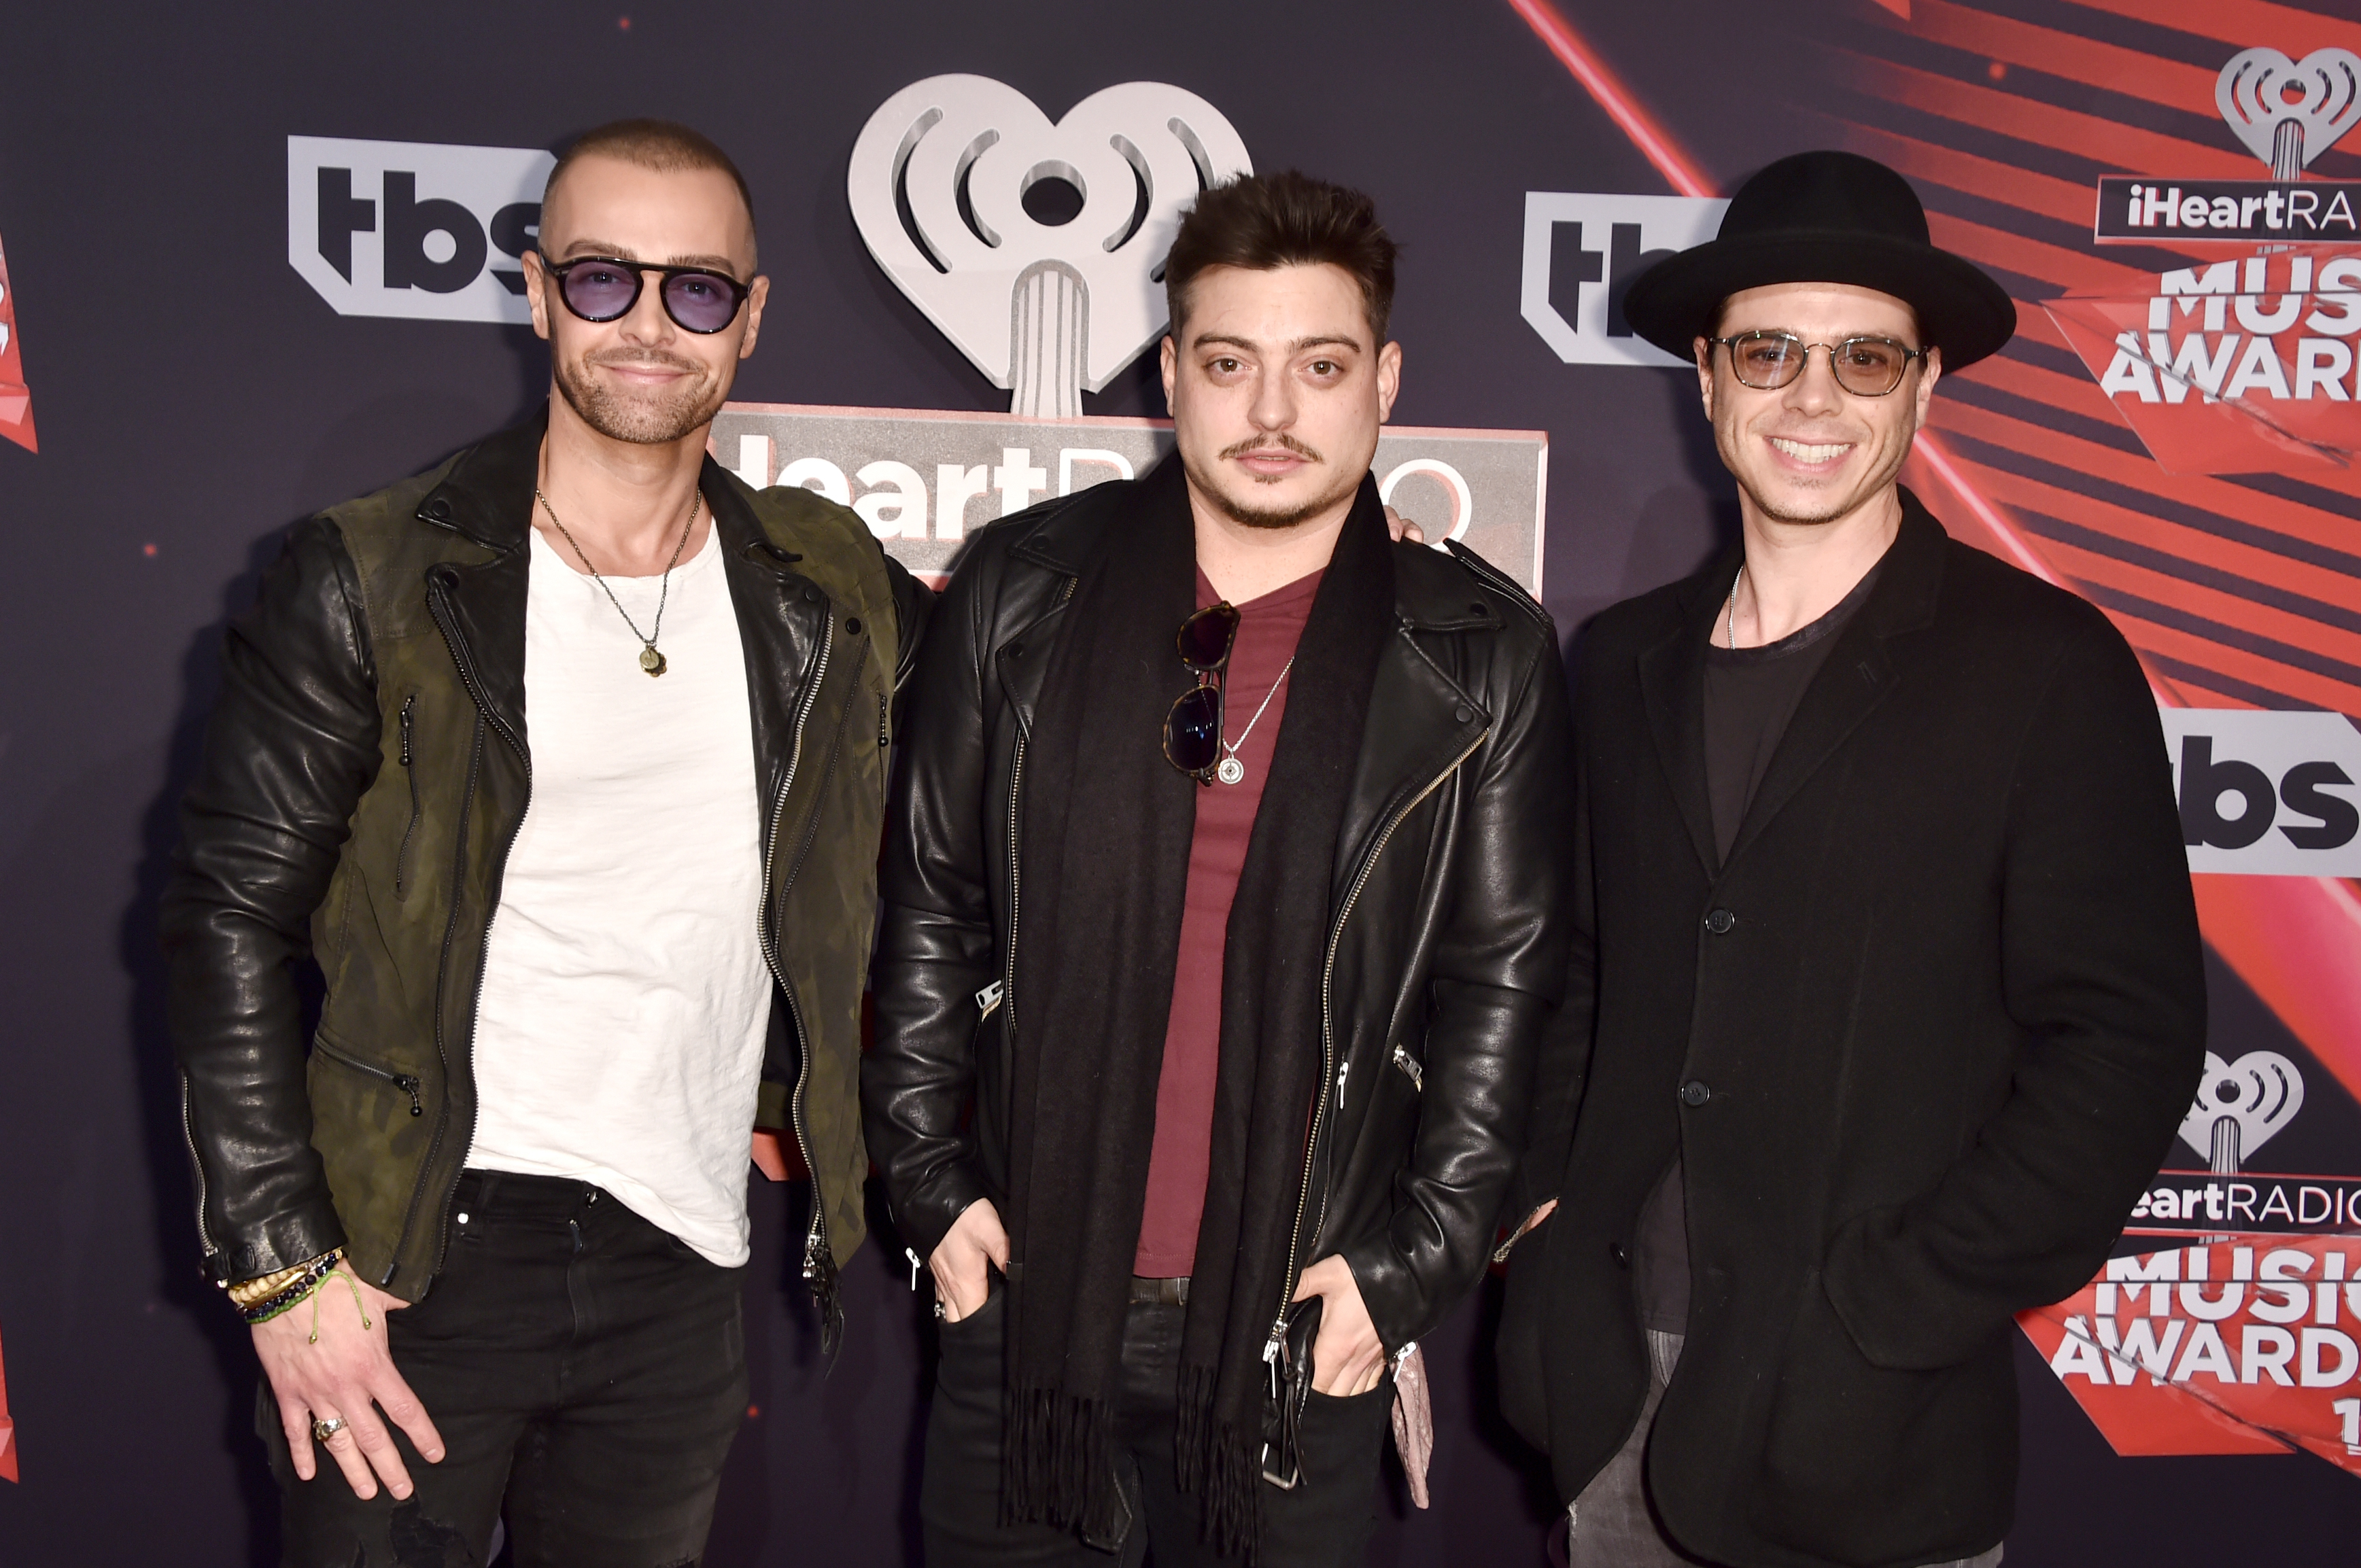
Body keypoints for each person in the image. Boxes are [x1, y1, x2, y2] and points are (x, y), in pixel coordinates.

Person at [161, 118, 927, 1567]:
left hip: (682, 1254)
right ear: (534, 291)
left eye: (697, 288)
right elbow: (227, 919)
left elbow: (994, 759)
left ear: (752, 317)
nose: (649, 323)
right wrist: (279, 1266)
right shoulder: (372, 572)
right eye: (601, 280)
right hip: (414, 1243)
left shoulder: (827, 584)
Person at [1495, 149, 2207, 1568]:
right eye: (1769, 349)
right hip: (1611, 1396)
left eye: (1863, 359)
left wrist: (1903, 1299)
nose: (1811, 398)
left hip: (1870, 1425)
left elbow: (2126, 1040)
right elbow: (1577, 970)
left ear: (1926, 384)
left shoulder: (2044, 668)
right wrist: (1539, 1208)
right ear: (1707, 375)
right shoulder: (1622, 657)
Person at [864, 170, 1574, 1567]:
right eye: (1231, 362)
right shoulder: (1018, 592)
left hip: (1295, 1332)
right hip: (1028, 1307)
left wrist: (1415, 1261)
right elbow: (929, 907)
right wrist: (929, 1187)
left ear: (1384, 381)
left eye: (1319, 366)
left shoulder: (1480, 654)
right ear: (1173, 375)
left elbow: (1501, 988)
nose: (1271, 411)